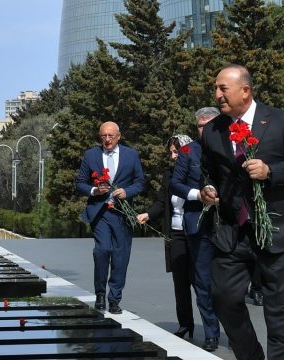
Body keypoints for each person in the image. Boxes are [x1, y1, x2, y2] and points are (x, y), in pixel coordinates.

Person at [199, 64, 284, 360]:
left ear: (245, 91)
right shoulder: (213, 130)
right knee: (222, 296)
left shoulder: (282, 121)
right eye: (216, 88)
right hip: (233, 233)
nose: (217, 95)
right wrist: (208, 188)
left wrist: (270, 171)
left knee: (280, 309)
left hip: (278, 230)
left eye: (223, 88)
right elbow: (209, 170)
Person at [76, 121, 146, 315]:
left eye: (110, 136)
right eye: (103, 136)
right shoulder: (91, 155)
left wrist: (127, 191)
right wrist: (94, 190)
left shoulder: (131, 155)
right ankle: (100, 294)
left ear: (119, 136)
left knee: (120, 256)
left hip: (123, 214)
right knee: (102, 250)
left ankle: (114, 298)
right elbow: (80, 183)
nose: (107, 140)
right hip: (100, 213)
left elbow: (140, 182)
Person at [170, 107, 221, 351]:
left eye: (208, 125)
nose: (204, 130)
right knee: (202, 281)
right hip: (198, 225)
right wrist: (197, 195)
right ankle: (211, 333)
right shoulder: (188, 151)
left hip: (229, 224)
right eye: (200, 126)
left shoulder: (232, 146)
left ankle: (235, 328)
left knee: (229, 284)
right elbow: (175, 183)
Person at [136, 134, 196, 340]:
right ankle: (185, 324)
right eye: (170, 152)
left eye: (176, 151)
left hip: (197, 233)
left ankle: (212, 328)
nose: (172, 156)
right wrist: (148, 214)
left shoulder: (198, 171)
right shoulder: (169, 174)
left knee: (202, 283)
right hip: (177, 233)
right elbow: (162, 202)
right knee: (180, 282)